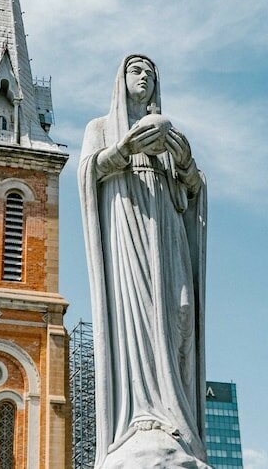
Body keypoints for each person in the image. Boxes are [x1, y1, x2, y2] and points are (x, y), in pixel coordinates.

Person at [79, 54, 209, 468]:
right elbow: (87, 173)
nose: (145, 77)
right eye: (136, 70)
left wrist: (185, 162)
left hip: (167, 233)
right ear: (121, 80)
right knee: (139, 317)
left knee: (181, 312)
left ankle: (178, 416)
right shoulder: (100, 128)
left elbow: (194, 189)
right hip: (128, 228)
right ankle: (143, 418)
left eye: (151, 73)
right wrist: (122, 149)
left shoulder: (171, 138)